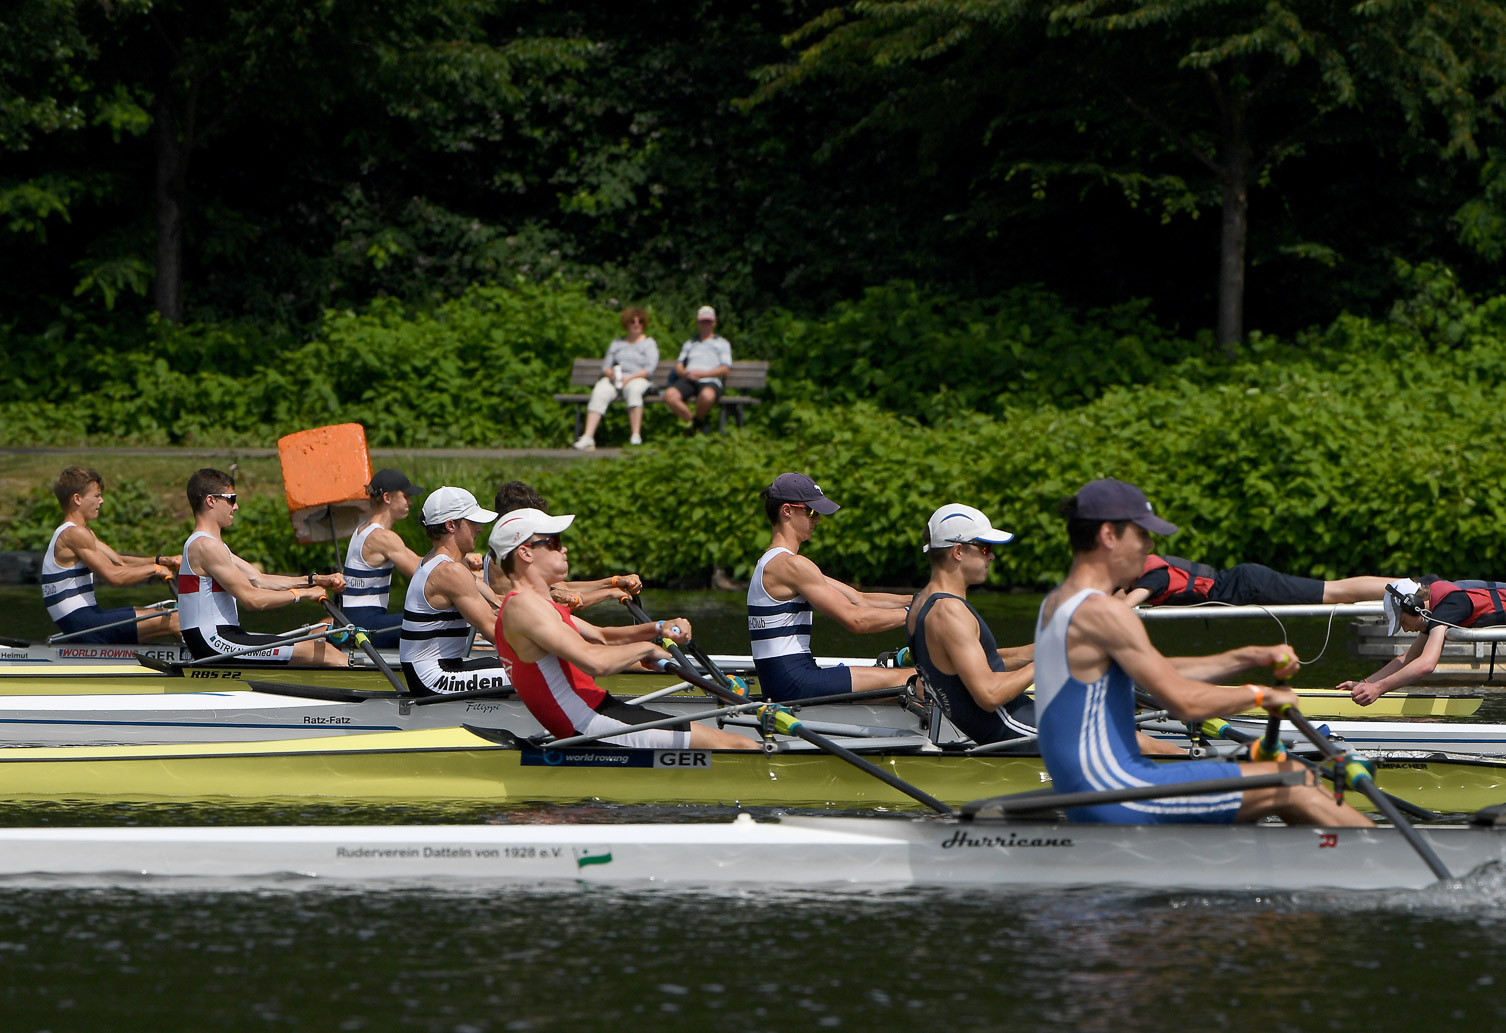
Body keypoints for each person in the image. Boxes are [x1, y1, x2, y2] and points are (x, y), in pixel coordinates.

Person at [1035, 477, 1369, 826]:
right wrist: (1259, 694)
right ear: (1108, 536)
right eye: (1143, 534)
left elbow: (1160, 670)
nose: (1149, 546)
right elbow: (1185, 703)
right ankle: (1382, 863)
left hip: (1087, 790)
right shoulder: (1105, 612)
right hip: (1116, 788)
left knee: (1275, 777)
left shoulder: (1057, 602)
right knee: (1294, 779)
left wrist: (1249, 657)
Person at [495, 508, 757, 749]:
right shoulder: (524, 607)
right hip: (588, 723)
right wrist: (645, 650)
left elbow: (602, 637)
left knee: (731, 742)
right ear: (525, 552)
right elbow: (595, 662)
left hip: (597, 712)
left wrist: (659, 627)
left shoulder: (537, 604)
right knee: (742, 745)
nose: (563, 549)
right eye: (553, 543)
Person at [748, 472, 911, 701]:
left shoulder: (774, 562)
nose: (818, 520)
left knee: (897, 677)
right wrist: (917, 616)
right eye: (812, 512)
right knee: (913, 678)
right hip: (795, 683)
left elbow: (858, 598)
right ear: (787, 511)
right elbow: (856, 620)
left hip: (784, 681)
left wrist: (918, 600)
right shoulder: (792, 565)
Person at [179, 468, 347, 665]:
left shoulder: (212, 545)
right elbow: (252, 600)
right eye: (231, 499)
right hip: (215, 642)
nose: (236, 506)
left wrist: (314, 581)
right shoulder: (205, 546)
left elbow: (259, 579)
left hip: (222, 638)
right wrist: (301, 594)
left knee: (316, 646)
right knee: (326, 652)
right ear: (211, 501)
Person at [906, 503, 1037, 745]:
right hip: (1011, 728)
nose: (992, 555)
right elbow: (989, 694)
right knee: (1120, 734)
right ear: (958, 551)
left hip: (1008, 723)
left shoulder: (920, 603)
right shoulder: (950, 611)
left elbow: (971, 663)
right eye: (985, 548)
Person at [42, 466, 181, 643]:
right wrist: (155, 569)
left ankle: (191, 660)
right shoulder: (74, 534)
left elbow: (119, 562)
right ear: (77, 499)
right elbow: (114, 577)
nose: (102, 501)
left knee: (171, 612)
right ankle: (204, 665)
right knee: (175, 619)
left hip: (88, 618)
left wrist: (162, 560)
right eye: (96, 496)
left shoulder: (84, 533)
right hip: (84, 624)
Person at [399, 486, 510, 695]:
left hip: (440, 669)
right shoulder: (449, 571)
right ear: (451, 525)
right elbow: (493, 629)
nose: (480, 529)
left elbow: (496, 603)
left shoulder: (442, 562)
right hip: (433, 677)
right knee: (534, 671)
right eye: (473, 522)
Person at [1341, 576, 1506, 704]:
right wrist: (1365, 684)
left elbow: (1426, 665)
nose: (1405, 629)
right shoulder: (1435, 606)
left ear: (1414, 605)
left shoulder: (1449, 604)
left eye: (1403, 621)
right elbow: (1409, 657)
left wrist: (1378, 688)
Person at [484, 481, 642, 611]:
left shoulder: (517, 555)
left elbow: (561, 587)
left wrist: (614, 582)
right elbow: (548, 603)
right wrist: (608, 594)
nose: (562, 548)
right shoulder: (503, 559)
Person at [341, 469, 426, 649]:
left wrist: (459, 562)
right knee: (430, 619)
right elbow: (425, 575)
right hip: (365, 627)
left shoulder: (361, 530)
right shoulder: (382, 537)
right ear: (387, 498)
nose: (410, 502)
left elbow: (420, 561)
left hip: (354, 621)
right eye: (406, 496)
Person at [1122, 554, 1393, 608]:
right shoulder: (1142, 576)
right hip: (1245, 583)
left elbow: (1121, 608)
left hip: (1250, 584)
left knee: (1336, 592)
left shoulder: (1153, 577)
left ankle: (1407, 586)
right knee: (1336, 591)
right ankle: (1405, 585)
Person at [573, 307, 659, 450]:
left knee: (634, 391)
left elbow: (650, 369)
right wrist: (611, 374)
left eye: (640, 322)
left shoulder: (649, 343)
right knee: (600, 390)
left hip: (638, 378)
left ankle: (635, 436)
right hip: (616, 378)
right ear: (626, 323)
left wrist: (630, 377)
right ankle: (588, 436)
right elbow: (606, 366)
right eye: (632, 321)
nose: (636, 324)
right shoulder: (617, 343)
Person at [663, 305, 732, 434]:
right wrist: (684, 373)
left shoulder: (722, 343)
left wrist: (704, 374)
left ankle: (695, 425)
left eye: (708, 321)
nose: (705, 324)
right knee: (670, 395)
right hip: (689, 378)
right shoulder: (689, 343)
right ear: (697, 323)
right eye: (702, 321)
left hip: (710, 379)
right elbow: (678, 365)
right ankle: (695, 423)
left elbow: (725, 369)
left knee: (707, 396)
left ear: (714, 323)